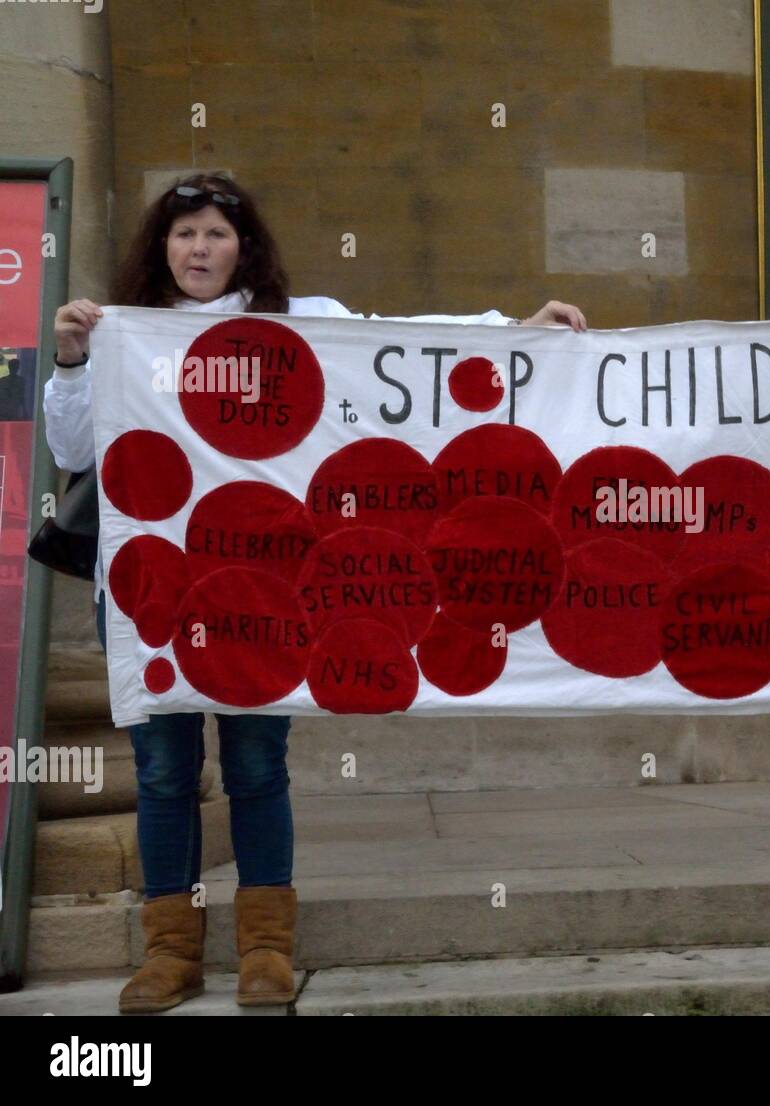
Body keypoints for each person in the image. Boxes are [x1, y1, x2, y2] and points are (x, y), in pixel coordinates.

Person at [46, 173, 587, 1012]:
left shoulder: (301, 323)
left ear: (243, 246)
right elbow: (76, 446)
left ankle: (266, 947)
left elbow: (405, 346)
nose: (199, 249)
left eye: (216, 235)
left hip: (262, 591)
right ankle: (170, 953)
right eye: (183, 233)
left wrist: (514, 334)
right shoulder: (127, 336)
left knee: (258, 763)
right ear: (162, 247)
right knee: (162, 772)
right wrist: (75, 361)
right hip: (153, 591)